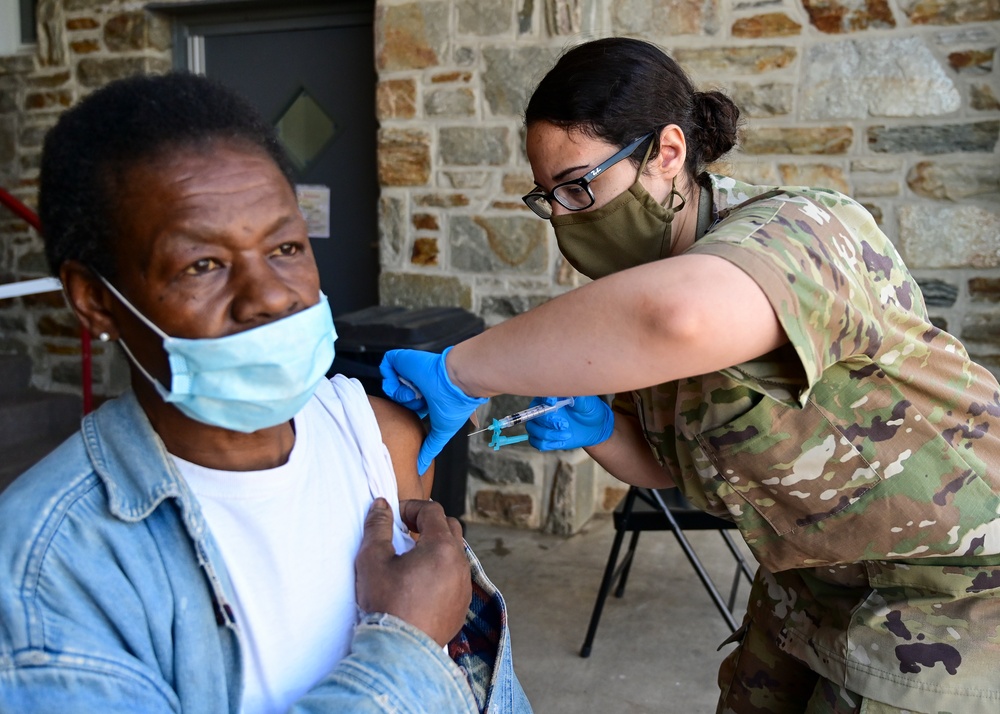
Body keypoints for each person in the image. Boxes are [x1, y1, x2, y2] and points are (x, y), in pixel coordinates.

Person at [380, 37, 1000, 714]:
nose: (562, 215)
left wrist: (463, 370)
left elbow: (679, 318)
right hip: (810, 585)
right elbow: (673, 466)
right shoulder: (635, 290)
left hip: (954, 594)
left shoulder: (802, 228)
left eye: (579, 186)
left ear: (667, 154)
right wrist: (600, 428)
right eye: (548, 196)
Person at [0, 72, 530, 714]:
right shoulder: (50, 573)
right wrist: (408, 646)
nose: (271, 296)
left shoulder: (377, 438)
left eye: (285, 247)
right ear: (95, 301)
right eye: (202, 265)